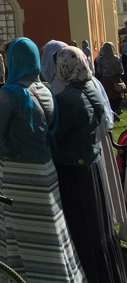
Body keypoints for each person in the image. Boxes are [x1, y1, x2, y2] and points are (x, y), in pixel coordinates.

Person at [0, 37, 85, 283]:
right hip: (46, 170)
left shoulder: (9, 94)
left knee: (16, 232)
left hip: (17, 174)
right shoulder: (46, 90)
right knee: (50, 229)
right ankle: (57, 274)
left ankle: (19, 276)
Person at [52, 46, 125, 282]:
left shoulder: (66, 98)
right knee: (100, 227)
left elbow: (56, 136)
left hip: (74, 170)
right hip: (92, 167)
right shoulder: (91, 89)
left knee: (84, 227)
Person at [95, 41, 126, 112]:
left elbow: (99, 71)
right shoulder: (116, 58)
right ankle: (117, 109)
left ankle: (110, 109)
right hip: (115, 79)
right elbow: (121, 70)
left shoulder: (101, 59)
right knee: (117, 93)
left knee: (107, 95)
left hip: (105, 80)